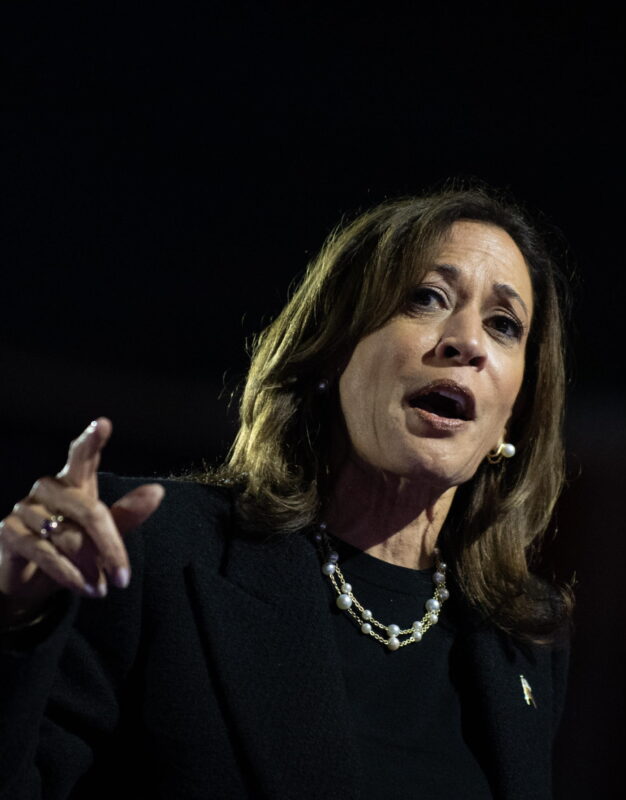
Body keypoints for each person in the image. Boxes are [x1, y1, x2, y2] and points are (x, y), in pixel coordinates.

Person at [0, 186, 572, 799]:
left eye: (504, 325)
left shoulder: (521, 644)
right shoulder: (151, 553)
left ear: (511, 415)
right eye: (426, 298)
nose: (469, 343)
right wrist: (13, 619)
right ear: (333, 349)